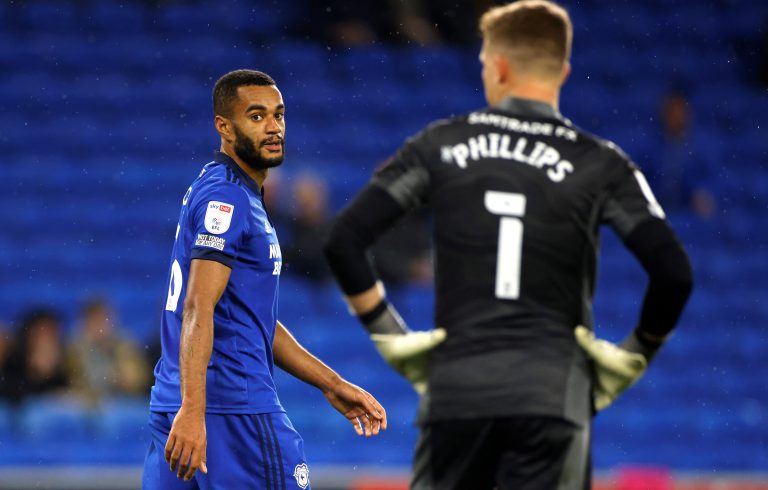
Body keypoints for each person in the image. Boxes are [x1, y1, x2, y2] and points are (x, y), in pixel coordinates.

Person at [323, 2, 694, 489]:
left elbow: (344, 241)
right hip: (553, 394)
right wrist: (631, 357)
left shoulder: (442, 144)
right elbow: (674, 273)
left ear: (497, 65)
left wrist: (392, 337)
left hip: (456, 390)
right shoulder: (602, 163)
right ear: (562, 71)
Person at [143, 69, 387, 490]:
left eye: (279, 115)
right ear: (224, 126)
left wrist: (330, 384)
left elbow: (250, 320)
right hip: (231, 412)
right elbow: (198, 307)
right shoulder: (229, 199)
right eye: (256, 117)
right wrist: (194, 411)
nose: (273, 127)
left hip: (179, 405)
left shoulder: (220, 189)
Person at [66, 297, 150, 406]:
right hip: (87, 405)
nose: (99, 326)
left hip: (123, 401)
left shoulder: (124, 344)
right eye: (94, 320)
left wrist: (116, 371)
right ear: (85, 323)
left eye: (102, 319)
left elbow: (137, 381)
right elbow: (75, 384)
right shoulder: (75, 347)